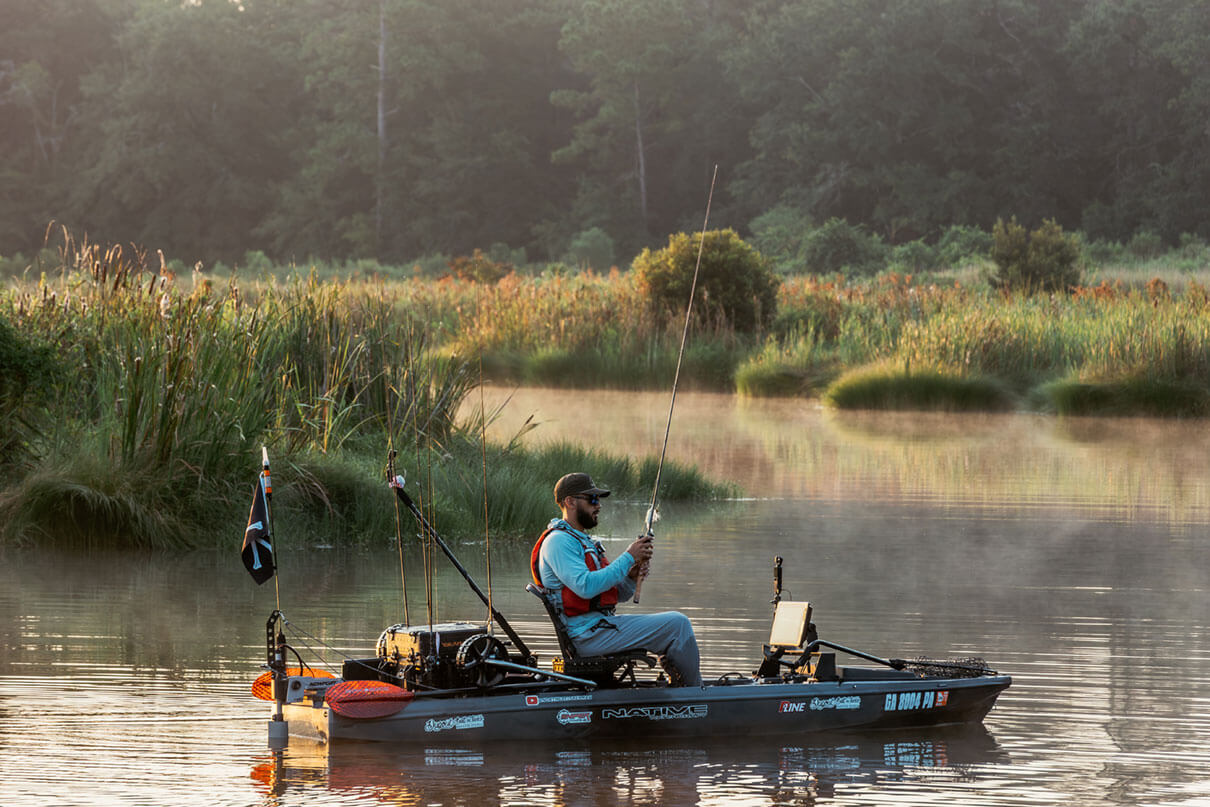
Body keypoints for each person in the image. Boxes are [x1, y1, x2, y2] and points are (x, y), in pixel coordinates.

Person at [530, 472, 701, 687]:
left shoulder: (583, 541)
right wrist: (629, 556)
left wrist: (630, 575)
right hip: (587, 636)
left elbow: (617, 594)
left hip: (599, 628)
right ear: (570, 502)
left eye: (599, 499)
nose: (598, 505)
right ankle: (694, 694)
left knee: (675, 625)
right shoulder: (558, 542)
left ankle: (682, 687)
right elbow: (585, 587)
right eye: (592, 499)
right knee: (678, 625)